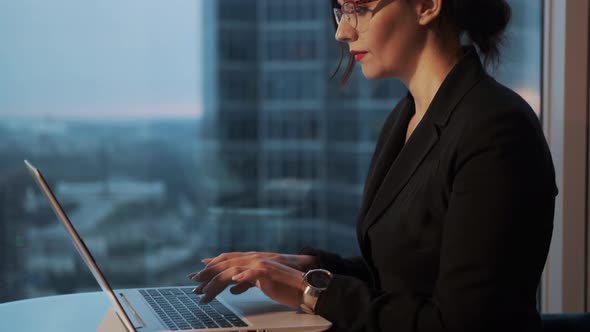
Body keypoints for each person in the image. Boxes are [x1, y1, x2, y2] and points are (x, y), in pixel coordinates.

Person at [187, 0, 558, 331]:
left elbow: (462, 321)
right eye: (342, 11)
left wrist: (310, 292)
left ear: (428, 5)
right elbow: (404, 278)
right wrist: (302, 266)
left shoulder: (495, 128)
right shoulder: (407, 117)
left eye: (359, 10)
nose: (342, 30)